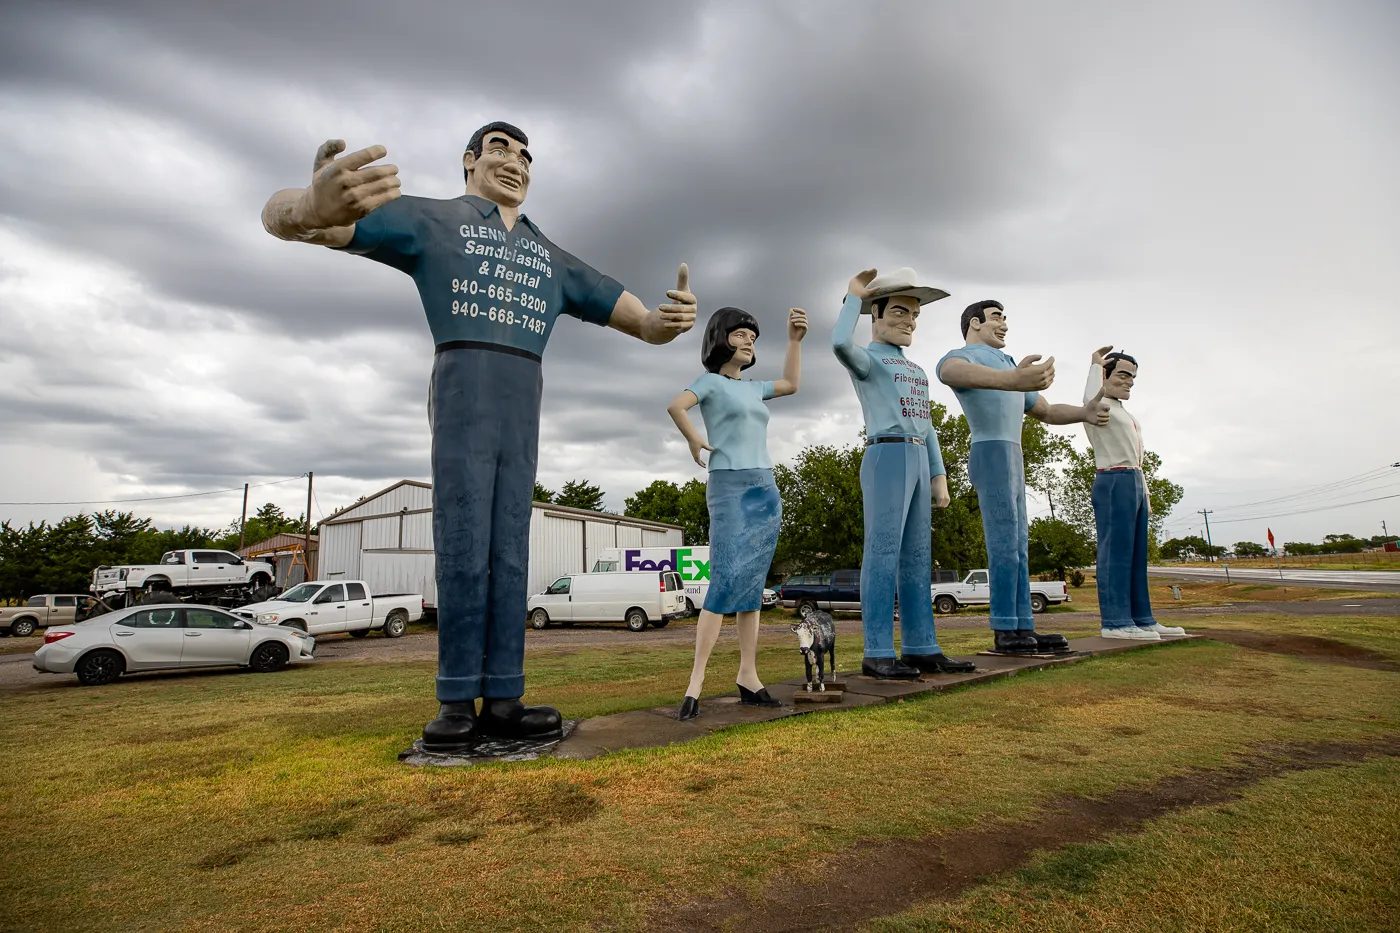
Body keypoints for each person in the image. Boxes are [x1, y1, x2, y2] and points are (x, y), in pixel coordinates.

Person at [261, 123, 697, 751]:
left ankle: (506, 696)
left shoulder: (550, 257)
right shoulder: (431, 221)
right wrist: (306, 206)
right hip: (464, 382)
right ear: (469, 162)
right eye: (499, 149)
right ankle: (456, 699)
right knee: (463, 539)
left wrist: (664, 323)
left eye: (525, 156)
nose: (514, 162)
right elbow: (294, 219)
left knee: (510, 544)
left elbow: (642, 321)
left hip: (524, 397)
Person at [936, 301, 1109, 654]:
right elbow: (949, 372)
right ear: (974, 323)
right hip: (990, 450)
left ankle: (1023, 626)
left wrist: (1084, 413)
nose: (1004, 325)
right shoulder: (962, 357)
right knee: (1002, 545)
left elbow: (1044, 410)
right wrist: (1012, 379)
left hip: (1014, 454)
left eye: (1005, 318)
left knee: (1018, 547)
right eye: (997, 317)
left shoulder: (1009, 363)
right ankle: (1004, 629)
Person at [667, 306, 808, 719]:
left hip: (764, 488)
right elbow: (676, 406)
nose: (749, 341)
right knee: (725, 579)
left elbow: (792, 384)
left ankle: (749, 675)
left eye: (754, 336)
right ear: (721, 338)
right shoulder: (710, 383)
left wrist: (795, 342)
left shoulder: (754, 388)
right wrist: (694, 440)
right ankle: (696, 682)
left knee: (751, 586)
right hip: (728, 486)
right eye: (742, 333)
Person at [834, 269, 975, 679]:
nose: (909, 320)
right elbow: (840, 342)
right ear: (875, 315)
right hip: (886, 456)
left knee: (917, 556)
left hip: (916, 459)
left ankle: (921, 645)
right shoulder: (868, 360)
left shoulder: (915, 370)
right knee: (881, 553)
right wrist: (851, 299)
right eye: (899, 310)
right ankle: (877, 649)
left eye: (914, 314)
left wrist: (939, 474)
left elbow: (926, 423)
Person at [1083, 347, 1185, 640]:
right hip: (1112, 478)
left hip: (1135, 480)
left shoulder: (1124, 412)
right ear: (1106, 375)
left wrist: (1145, 493)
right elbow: (1090, 396)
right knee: (1116, 553)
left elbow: (1136, 457)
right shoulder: (1099, 405)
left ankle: (1142, 617)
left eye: (1133, 377)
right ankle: (1115, 621)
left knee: (1137, 555)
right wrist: (1094, 366)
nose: (1129, 381)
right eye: (1123, 374)